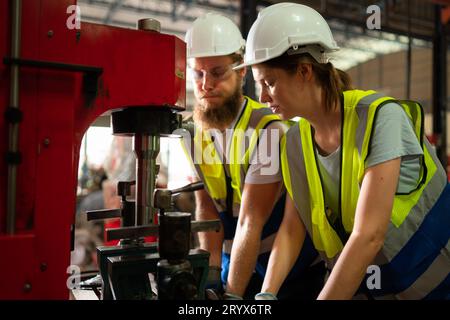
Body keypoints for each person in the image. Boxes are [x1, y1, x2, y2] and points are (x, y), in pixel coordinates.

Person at [235, 2, 450, 300]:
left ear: (304, 71)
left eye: (270, 82)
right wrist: (267, 294)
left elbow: (369, 235)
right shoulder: (295, 142)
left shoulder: (379, 118)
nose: (263, 96)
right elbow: (291, 229)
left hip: (432, 287)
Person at [182, 12, 326, 300]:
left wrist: (233, 297)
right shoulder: (190, 133)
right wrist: (210, 280)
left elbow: (252, 220)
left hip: (288, 273)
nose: (206, 84)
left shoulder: (269, 129)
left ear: (241, 72)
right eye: (198, 73)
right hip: (234, 263)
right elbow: (207, 210)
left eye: (218, 72)